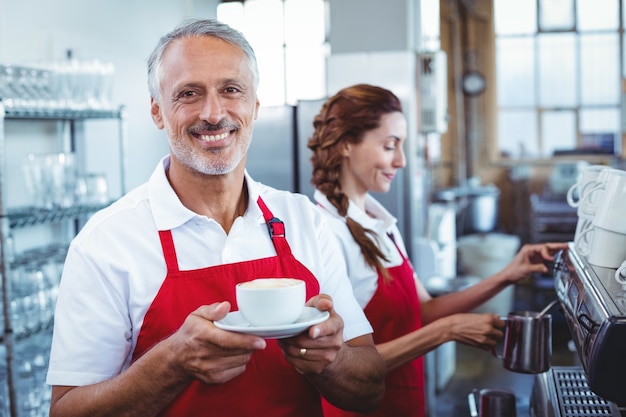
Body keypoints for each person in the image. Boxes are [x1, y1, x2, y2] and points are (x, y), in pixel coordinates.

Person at [46, 20, 386, 417]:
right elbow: (66, 411)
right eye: (189, 93)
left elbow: (371, 389)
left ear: (255, 106)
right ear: (157, 112)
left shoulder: (303, 220)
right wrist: (170, 364)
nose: (212, 113)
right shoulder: (106, 243)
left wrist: (334, 360)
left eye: (231, 90)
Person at [307, 83, 569, 417]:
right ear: (346, 145)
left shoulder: (378, 220)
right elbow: (343, 364)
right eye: (390, 146)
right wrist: (448, 331)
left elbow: (425, 309)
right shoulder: (325, 232)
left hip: (405, 403)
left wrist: (506, 276)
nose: (401, 161)